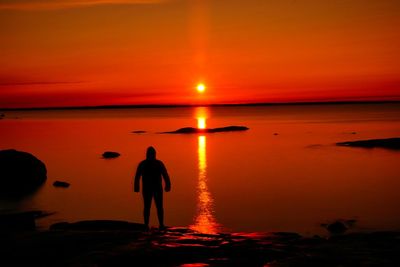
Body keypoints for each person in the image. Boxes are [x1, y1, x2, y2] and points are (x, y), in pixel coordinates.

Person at [134, 146, 171, 230]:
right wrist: (136, 186)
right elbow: (137, 176)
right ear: (147, 154)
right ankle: (146, 224)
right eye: (149, 154)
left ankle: (161, 224)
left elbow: (165, 175)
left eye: (152, 154)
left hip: (157, 188)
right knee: (147, 207)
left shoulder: (159, 163)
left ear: (154, 154)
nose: (151, 155)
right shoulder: (142, 164)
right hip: (147, 189)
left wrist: (168, 185)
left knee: (159, 206)